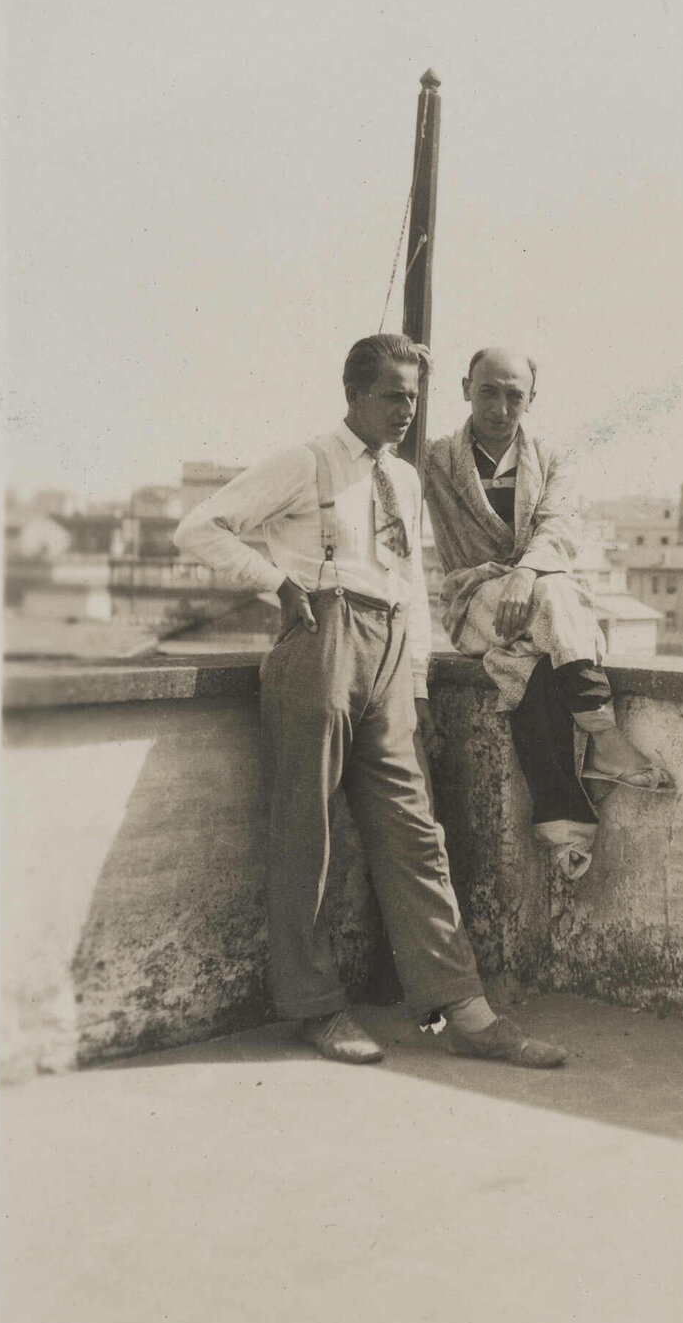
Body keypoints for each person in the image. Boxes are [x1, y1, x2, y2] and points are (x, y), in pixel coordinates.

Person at [173, 333, 566, 1068]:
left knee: (417, 833)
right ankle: (316, 1008)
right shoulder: (307, 461)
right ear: (353, 393)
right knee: (308, 831)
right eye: (392, 395)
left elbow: (408, 584)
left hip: (387, 651)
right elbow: (200, 527)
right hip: (320, 641)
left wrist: (413, 679)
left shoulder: (406, 480)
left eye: (414, 397)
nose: (405, 410)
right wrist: (276, 583)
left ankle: (465, 1008)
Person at [424, 347, 673, 881]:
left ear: (532, 399)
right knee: (559, 597)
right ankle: (605, 737)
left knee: (534, 672)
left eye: (515, 395)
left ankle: (565, 832)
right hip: (475, 603)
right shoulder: (437, 458)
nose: (500, 406)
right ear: (465, 387)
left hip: (533, 605)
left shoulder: (552, 458)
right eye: (488, 391)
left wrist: (526, 573)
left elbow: (559, 526)